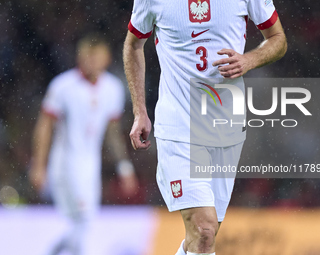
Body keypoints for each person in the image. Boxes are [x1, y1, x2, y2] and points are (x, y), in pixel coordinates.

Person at [123, 0, 287, 254]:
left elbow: (278, 38)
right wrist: (139, 111)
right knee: (204, 229)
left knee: (203, 241)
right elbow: (133, 44)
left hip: (227, 129)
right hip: (178, 126)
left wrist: (249, 60)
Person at [29, 34, 138, 255]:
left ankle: (53, 250)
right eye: (87, 56)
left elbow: (112, 133)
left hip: (91, 166)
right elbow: (45, 127)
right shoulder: (63, 86)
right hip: (65, 164)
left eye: (96, 56)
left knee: (82, 222)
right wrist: (38, 165)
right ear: (80, 57)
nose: (91, 61)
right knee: (84, 220)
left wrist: (124, 167)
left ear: (106, 58)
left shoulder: (113, 88)